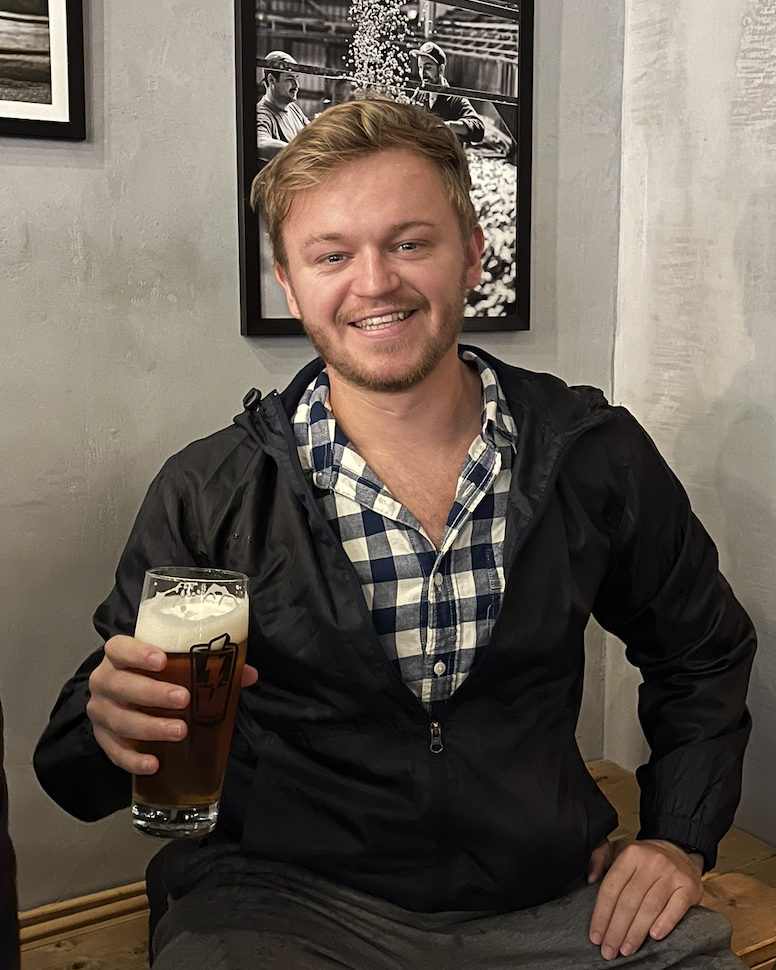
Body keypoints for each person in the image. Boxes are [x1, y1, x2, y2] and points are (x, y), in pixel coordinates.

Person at [34, 99, 755, 970]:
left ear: (474, 255)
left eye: (410, 243)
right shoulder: (211, 489)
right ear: (290, 284)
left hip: (548, 894)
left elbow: (703, 651)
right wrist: (103, 727)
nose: (375, 283)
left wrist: (679, 835)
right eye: (332, 255)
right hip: (279, 905)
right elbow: (80, 766)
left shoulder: (591, 455)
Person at [409, 41, 485, 146]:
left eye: (428, 67)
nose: (423, 73)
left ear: (441, 69)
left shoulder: (455, 100)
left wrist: (446, 126)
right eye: (420, 67)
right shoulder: (420, 96)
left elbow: (478, 128)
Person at [256, 50, 308, 163]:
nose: (296, 85)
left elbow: (313, 133)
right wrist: (302, 153)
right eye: (290, 78)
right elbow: (259, 143)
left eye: (296, 78)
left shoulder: (293, 109)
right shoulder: (262, 114)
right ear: (271, 80)